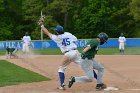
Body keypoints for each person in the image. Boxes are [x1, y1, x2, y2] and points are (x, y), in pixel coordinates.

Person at [38, 20, 97, 90]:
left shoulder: (57, 38)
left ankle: (62, 85)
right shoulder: (68, 34)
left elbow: (47, 33)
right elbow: (75, 39)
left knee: (61, 69)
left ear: (57, 32)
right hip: (75, 52)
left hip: (67, 54)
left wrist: (42, 26)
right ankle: (99, 82)